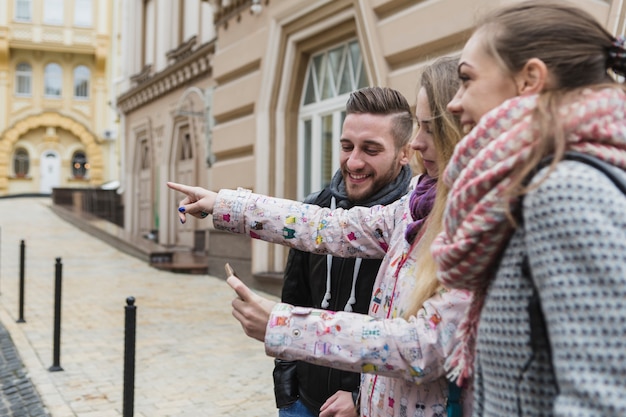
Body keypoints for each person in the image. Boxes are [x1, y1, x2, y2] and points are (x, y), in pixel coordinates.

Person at [168, 56, 472, 417]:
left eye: (429, 128)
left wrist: (283, 327)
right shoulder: (419, 204)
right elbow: (328, 226)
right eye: (347, 146)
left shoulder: (475, 220)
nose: (419, 142)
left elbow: (422, 348)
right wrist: (224, 204)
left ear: (464, 128)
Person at [430, 1, 626, 416]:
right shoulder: (527, 183)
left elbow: (605, 398)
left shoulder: (564, 189)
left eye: (466, 79)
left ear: (530, 79)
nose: (454, 102)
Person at [275, 87, 414, 417]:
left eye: (370, 149)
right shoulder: (316, 209)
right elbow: (294, 301)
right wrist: (286, 392)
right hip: (302, 404)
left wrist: (359, 396)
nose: (353, 161)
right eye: (347, 146)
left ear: (405, 152)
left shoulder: (412, 223)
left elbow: (414, 339)